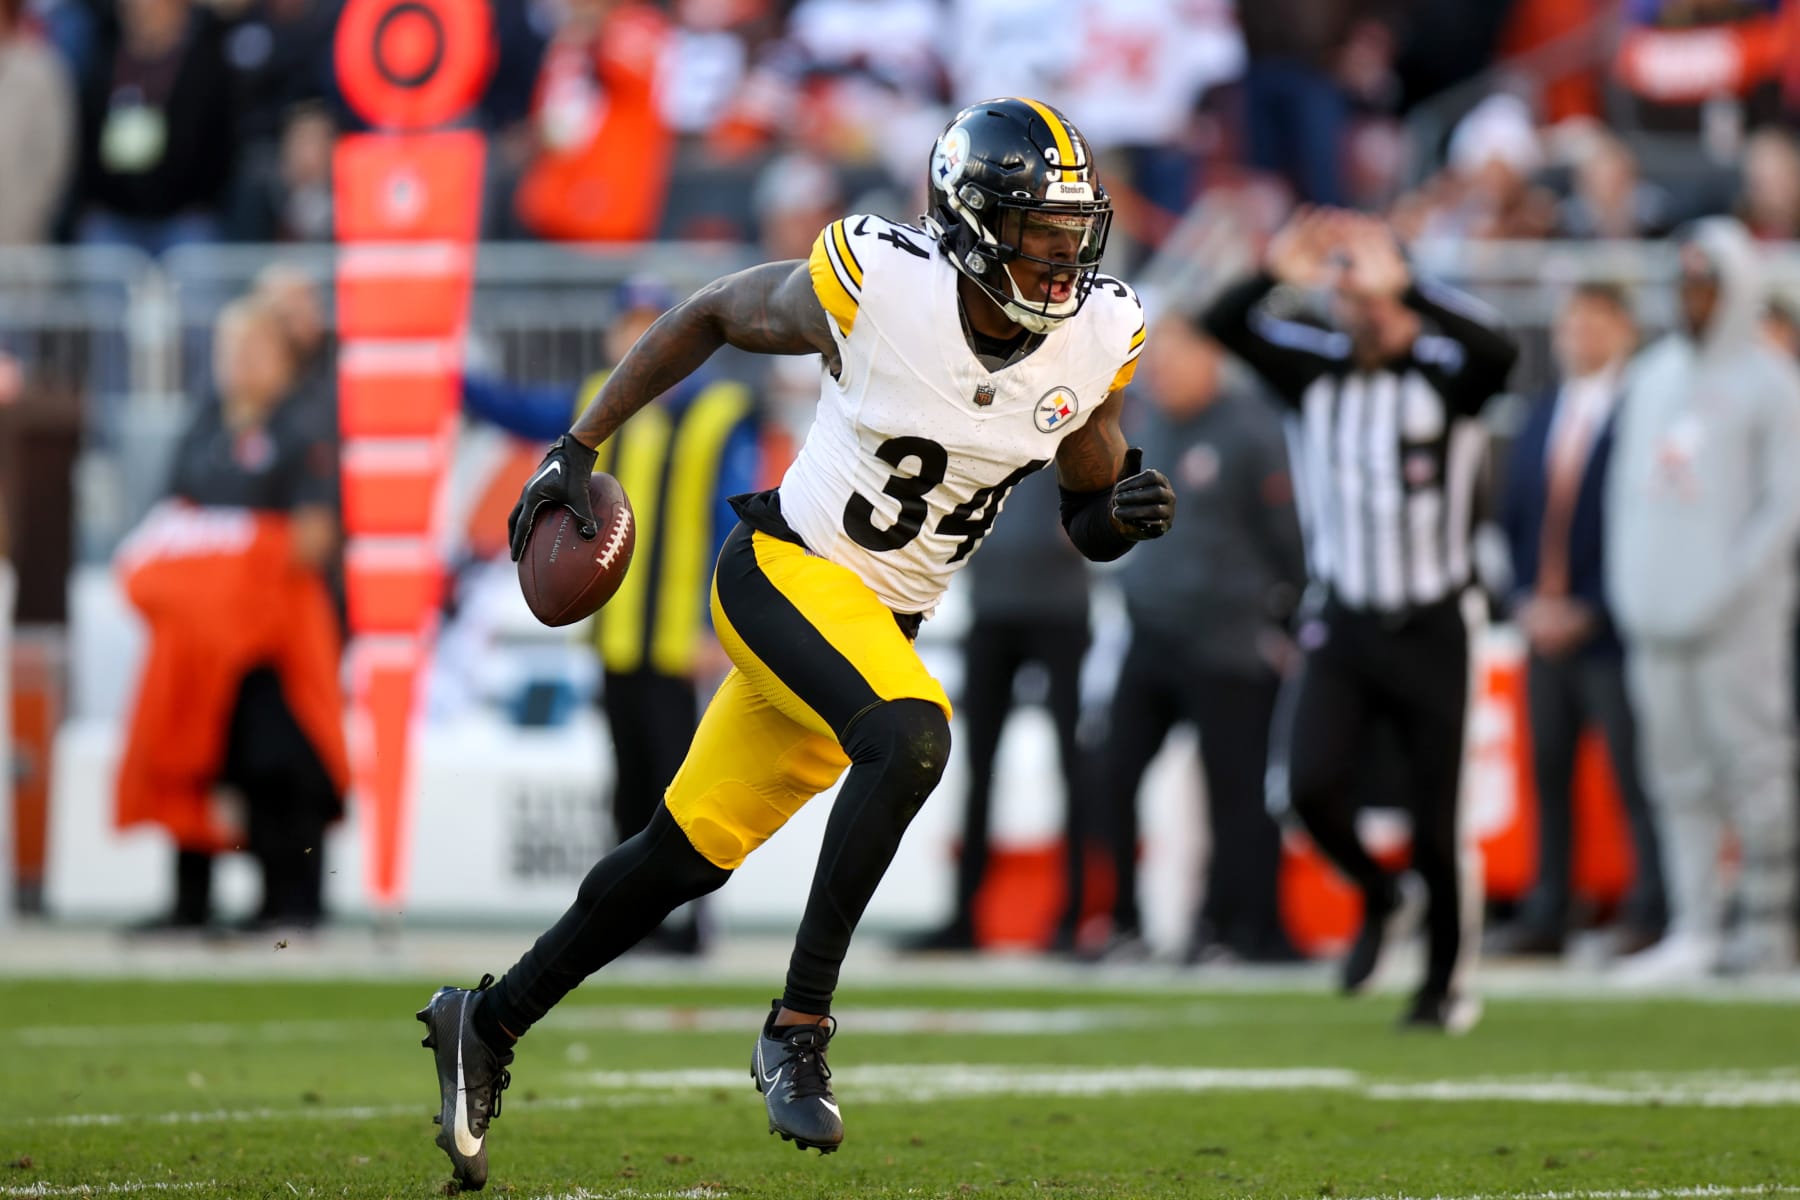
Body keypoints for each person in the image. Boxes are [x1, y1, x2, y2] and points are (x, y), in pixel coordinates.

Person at [414, 97, 1175, 1190]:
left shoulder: (1099, 333)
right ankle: (799, 1027)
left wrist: (1120, 517)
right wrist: (579, 443)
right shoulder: (881, 285)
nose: (1062, 260)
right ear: (967, 225)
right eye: (1035, 233)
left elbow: (1085, 502)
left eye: (1073, 235)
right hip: (782, 573)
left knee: (678, 856)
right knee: (914, 735)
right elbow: (715, 312)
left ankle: (485, 1021)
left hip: (871, 628)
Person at [1203, 207, 1518, 1032]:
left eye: (1381, 299)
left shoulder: (1447, 374)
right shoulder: (1316, 373)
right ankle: (1381, 897)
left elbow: (1503, 351)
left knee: (1437, 818)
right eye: (1355, 299)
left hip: (1437, 617)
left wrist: (1408, 287)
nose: (1366, 313)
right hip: (1344, 618)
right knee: (1303, 789)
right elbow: (1221, 322)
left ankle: (1445, 984)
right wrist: (1281, 269)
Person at [462, 277, 761, 955]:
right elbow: (516, 409)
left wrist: (714, 623)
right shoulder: (593, 406)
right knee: (628, 781)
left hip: (677, 636)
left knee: (681, 786)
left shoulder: (715, 413)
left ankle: (689, 921)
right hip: (619, 635)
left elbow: (732, 515)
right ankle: (634, 918)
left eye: (650, 324)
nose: (636, 338)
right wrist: (447, 377)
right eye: (628, 324)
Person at [1606, 218, 1800, 982]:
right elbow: (1624, 496)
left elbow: (1784, 509)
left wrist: (1728, 587)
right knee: (1674, 774)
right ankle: (1695, 926)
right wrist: (1633, 588)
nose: (1691, 298)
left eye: (1705, 283)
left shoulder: (1771, 381)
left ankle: (1770, 929)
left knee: (1755, 768)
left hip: (1738, 619)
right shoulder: (1650, 377)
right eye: (1683, 283)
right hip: (1656, 616)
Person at [116, 296, 344, 932]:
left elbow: (311, 536)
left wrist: (231, 551)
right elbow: (171, 522)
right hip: (199, 638)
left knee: (277, 763)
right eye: (230, 349)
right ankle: (191, 899)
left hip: (274, 638)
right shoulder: (203, 426)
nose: (240, 363)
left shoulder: (302, 427)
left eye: (253, 348)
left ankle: (291, 898)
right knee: (192, 755)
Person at [1099, 312, 1306, 965]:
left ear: (1212, 357)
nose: (1162, 367)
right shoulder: (1150, 423)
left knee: (1238, 791)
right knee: (1107, 773)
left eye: (1177, 352)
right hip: (1152, 630)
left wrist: (1281, 618)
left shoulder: (1251, 430)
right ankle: (1120, 921)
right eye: (1157, 354)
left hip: (1228, 639)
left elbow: (1288, 539)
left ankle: (1242, 926)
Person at [1487, 282, 1667, 959]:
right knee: (1548, 773)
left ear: (1624, 329)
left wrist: (1590, 603)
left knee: (1633, 774)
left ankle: (1651, 906)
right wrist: (1529, 598)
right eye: (1572, 325)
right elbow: (1517, 513)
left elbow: (1642, 520)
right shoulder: (1542, 410)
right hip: (1544, 624)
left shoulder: (1643, 409)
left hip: (1612, 629)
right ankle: (1549, 909)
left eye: (1595, 323)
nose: (1581, 337)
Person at [898, 466, 1094, 954]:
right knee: (975, 767)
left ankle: (1077, 914)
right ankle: (965, 916)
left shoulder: (1075, 406)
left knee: (1074, 766)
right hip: (994, 607)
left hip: (1060, 609)